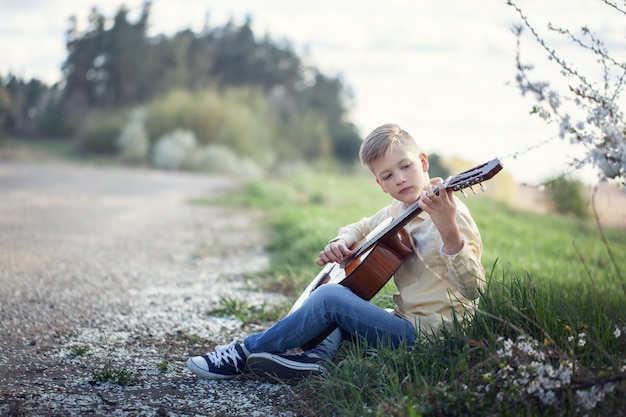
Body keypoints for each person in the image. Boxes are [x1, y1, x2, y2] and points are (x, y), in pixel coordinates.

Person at [186, 123, 486, 381]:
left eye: (405, 166)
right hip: (405, 318)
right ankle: (317, 359)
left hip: (432, 336)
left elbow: (475, 291)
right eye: (388, 175)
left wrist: (449, 233)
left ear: (422, 161)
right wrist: (340, 241)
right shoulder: (399, 210)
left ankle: (243, 353)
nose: (400, 179)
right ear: (380, 184)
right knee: (349, 293)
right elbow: (362, 226)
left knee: (331, 299)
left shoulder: (453, 215)